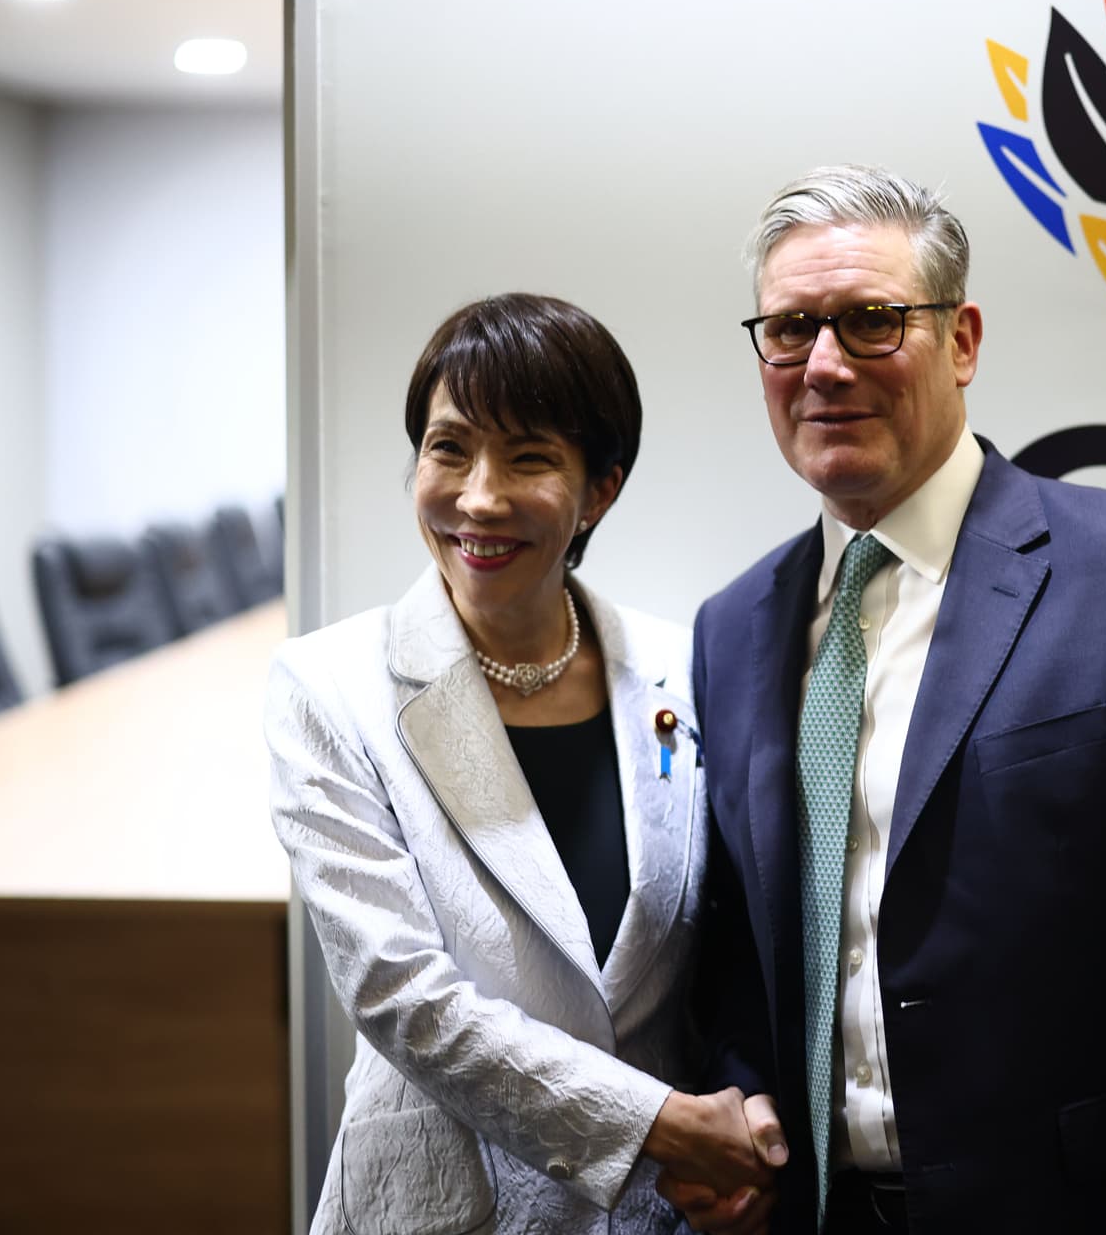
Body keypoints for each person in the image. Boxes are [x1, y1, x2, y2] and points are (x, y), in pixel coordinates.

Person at [672, 167, 1106, 1233]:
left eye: (872, 321)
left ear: (961, 339)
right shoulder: (732, 627)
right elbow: (738, 955)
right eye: (790, 330)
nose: (824, 365)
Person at [267, 293, 778, 1233]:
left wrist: (738, 1130)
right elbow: (401, 994)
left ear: (601, 489)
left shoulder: (686, 669)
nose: (478, 495)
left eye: (531, 456)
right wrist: (661, 1124)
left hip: (658, 1216)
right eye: (448, 447)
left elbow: (721, 955)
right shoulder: (327, 686)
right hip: (445, 1208)